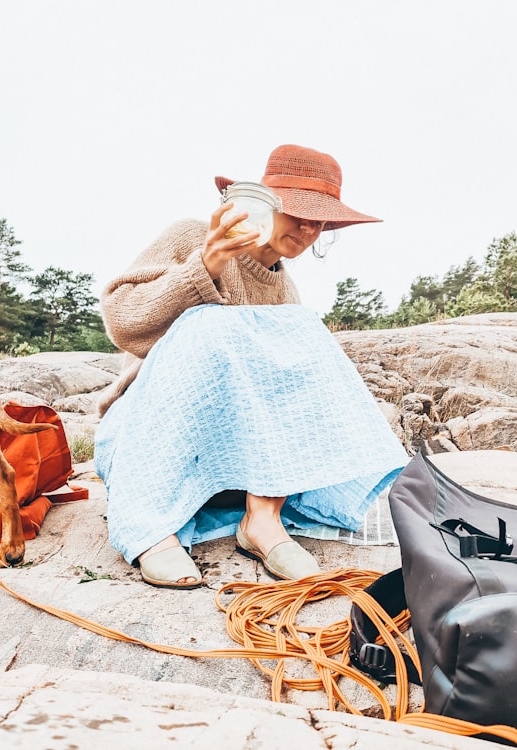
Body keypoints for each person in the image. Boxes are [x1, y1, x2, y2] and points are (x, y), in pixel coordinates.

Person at [94, 144, 408, 589]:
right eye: (297, 210)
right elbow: (122, 320)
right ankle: (152, 529)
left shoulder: (287, 293)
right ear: (261, 203)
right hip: (149, 440)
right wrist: (205, 265)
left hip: (239, 464)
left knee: (301, 331)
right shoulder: (192, 235)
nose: (307, 227)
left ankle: (262, 521)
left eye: (319, 219)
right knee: (213, 325)